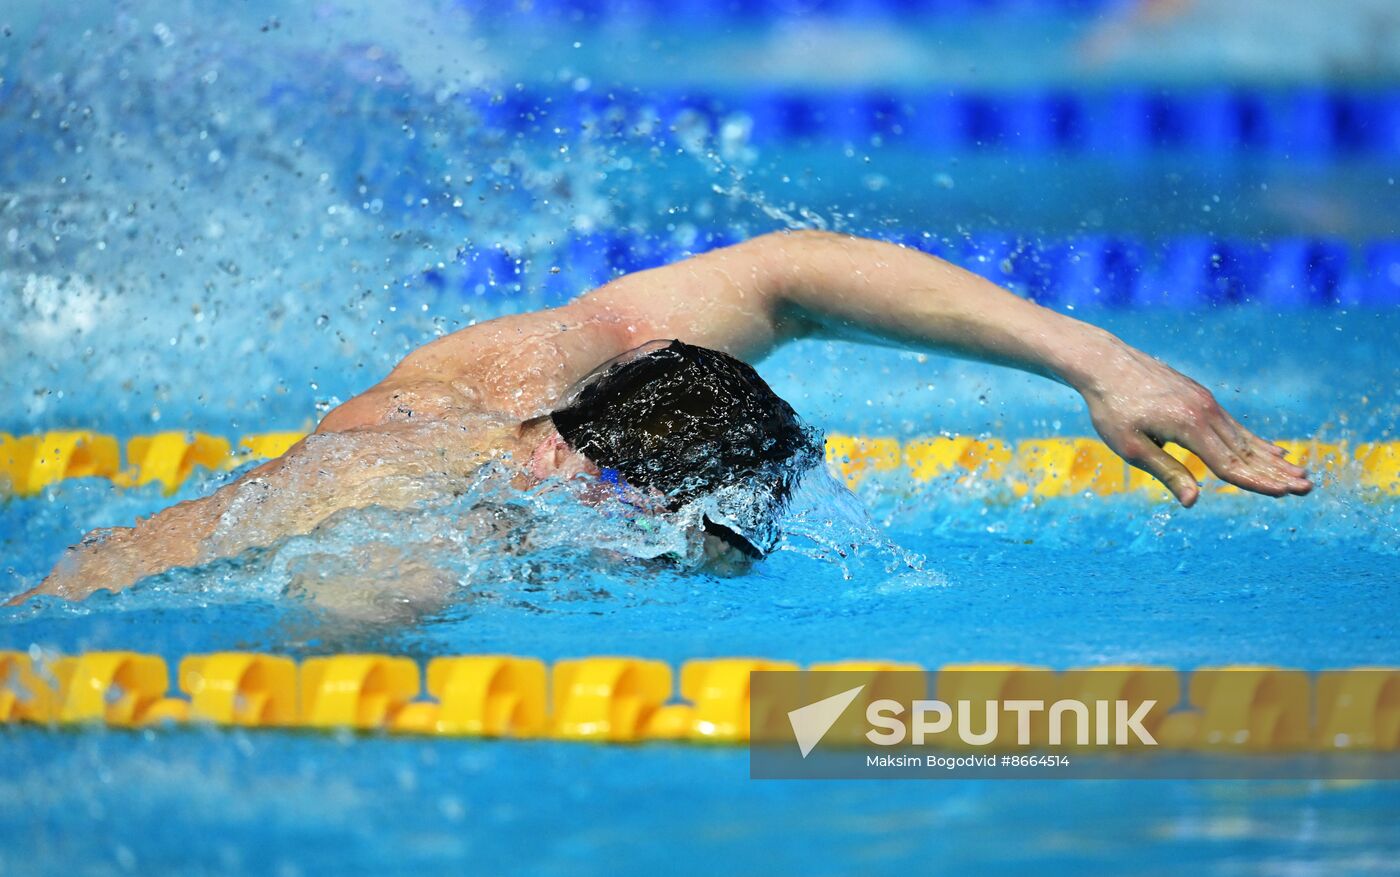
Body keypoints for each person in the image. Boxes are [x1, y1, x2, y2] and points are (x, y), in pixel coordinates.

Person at [13, 230, 1312, 606]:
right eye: (667, 550)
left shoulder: (620, 360)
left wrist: (1100, 360)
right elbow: (129, 565)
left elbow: (794, 270)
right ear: (583, 485)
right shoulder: (407, 488)